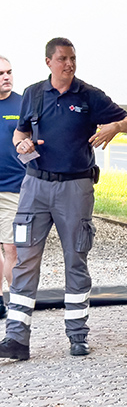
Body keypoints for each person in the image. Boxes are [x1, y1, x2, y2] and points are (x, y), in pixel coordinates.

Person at [0, 38, 127, 360]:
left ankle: (78, 336)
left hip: (75, 189)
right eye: (63, 59)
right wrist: (22, 145)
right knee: (24, 260)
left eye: (73, 58)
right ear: (49, 61)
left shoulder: (90, 95)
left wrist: (114, 127)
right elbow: (21, 133)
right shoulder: (34, 94)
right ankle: (16, 340)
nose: (69, 64)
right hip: (34, 186)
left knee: (76, 259)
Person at [0, 56, 25, 320]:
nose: (6, 76)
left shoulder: (22, 105)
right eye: (0, 73)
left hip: (12, 188)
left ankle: (17, 304)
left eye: (9, 72)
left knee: (12, 248)